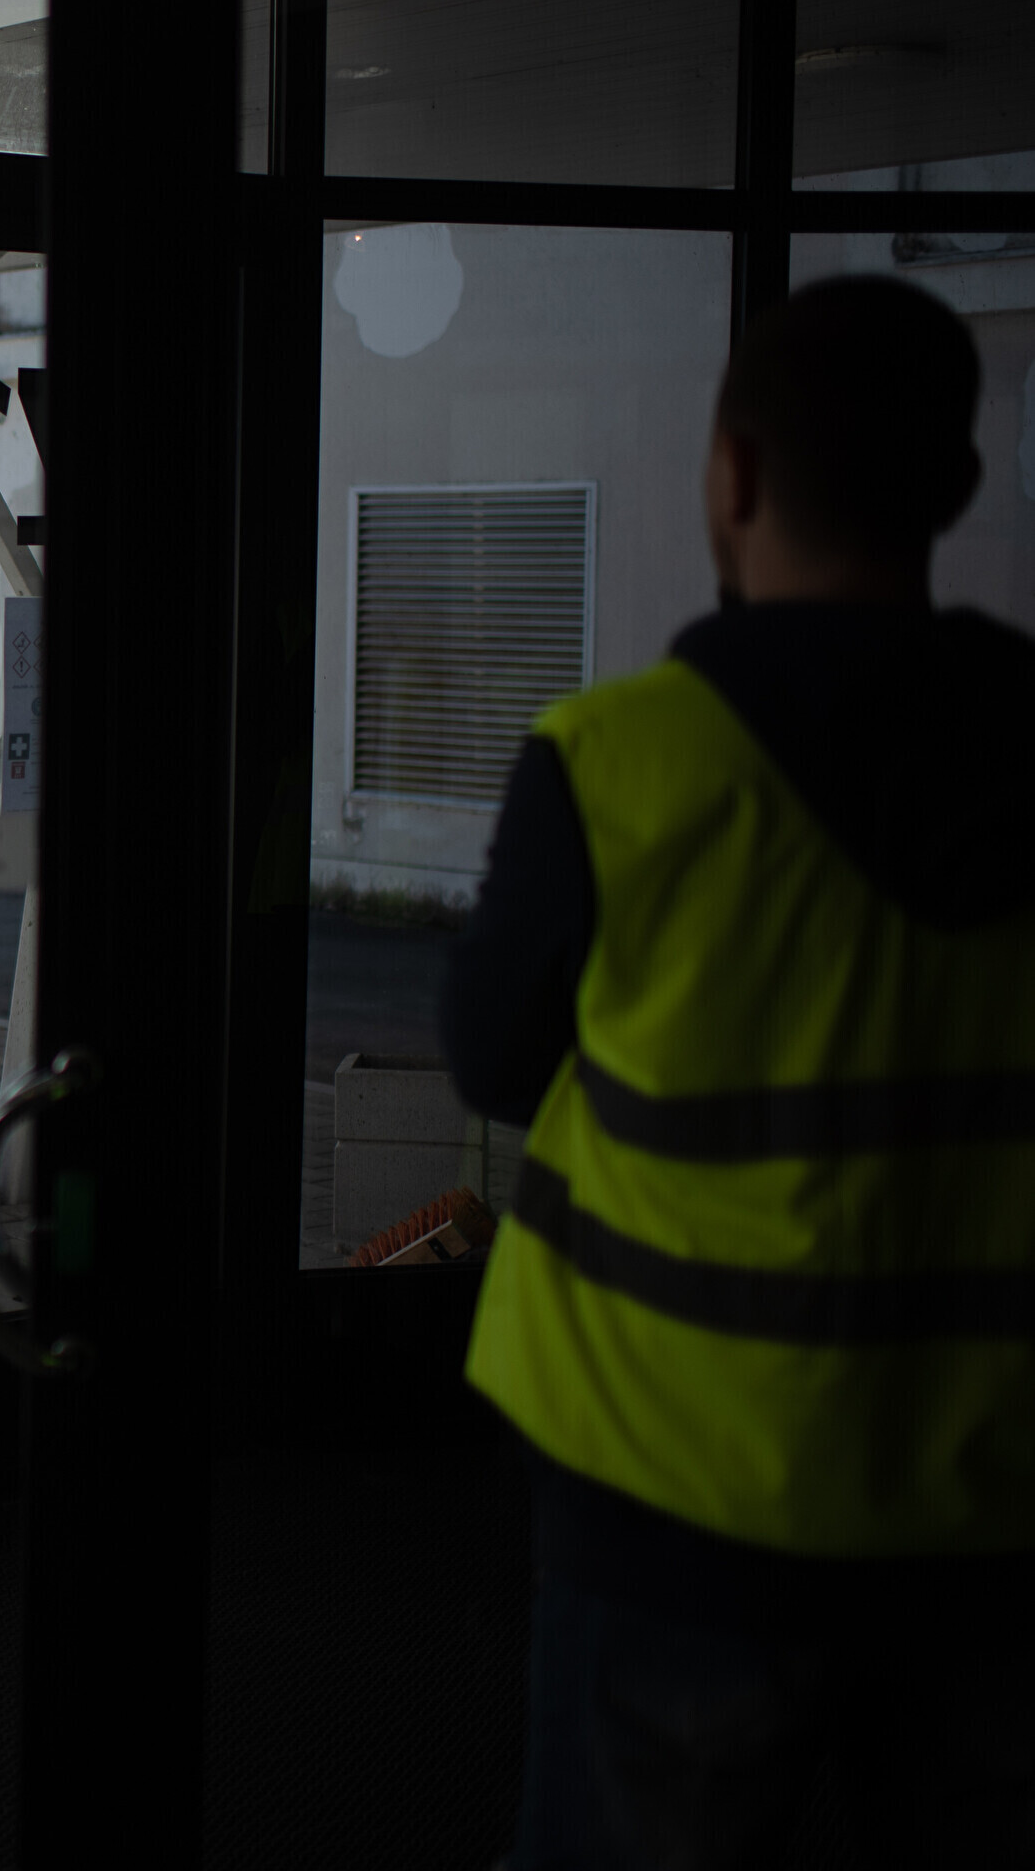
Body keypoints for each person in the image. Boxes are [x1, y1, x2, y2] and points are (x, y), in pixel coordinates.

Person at [443, 275, 1035, 1869]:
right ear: (956, 487)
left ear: (736, 474)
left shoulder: (622, 761)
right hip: (984, 1514)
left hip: (671, 1513)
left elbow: (491, 1056)